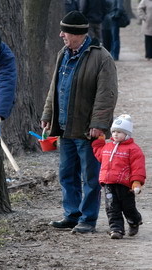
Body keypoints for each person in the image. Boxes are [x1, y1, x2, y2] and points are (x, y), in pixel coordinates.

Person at [41, 11, 118, 234]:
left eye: (65, 31)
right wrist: (48, 115)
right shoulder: (63, 54)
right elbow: (54, 88)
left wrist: (99, 124)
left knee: (90, 178)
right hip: (64, 128)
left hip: (87, 131)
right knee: (67, 175)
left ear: (76, 34)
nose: (61, 35)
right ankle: (71, 215)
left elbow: (107, 94)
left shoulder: (101, 58)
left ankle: (88, 219)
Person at [92, 114, 146, 239]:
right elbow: (100, 155)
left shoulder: (133, 149)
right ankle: (116, 229)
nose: (116, 134)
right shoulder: (107, 147)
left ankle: (134, 220)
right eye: (114, 131)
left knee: (128, 207)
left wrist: (136, 182)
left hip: (125, 185)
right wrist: (98, 143)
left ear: (127, 134)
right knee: (111, 207)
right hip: (108, 183)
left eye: (120, 132)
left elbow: (138, 167)